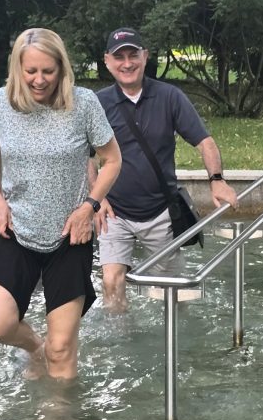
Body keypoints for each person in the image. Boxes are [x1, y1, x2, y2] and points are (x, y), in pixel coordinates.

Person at [0, 28, 122, 380]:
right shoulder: (0, 103)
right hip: (16, 227)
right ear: (17, 69)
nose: (39, 80)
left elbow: (113, 160)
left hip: (70, 235)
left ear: (62, 68)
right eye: (31, 72)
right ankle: (34, 348)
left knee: (62, 350)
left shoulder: (83, 103)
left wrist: (89, 206)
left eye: (48, 72)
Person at [92, 28, 238, 311]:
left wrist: (217, 181)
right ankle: (122, 344)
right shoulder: (98, 104)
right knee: (111, 282)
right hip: (114, 212)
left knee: (171, 292)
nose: (127, 63)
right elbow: (86, 157)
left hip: (160, 212)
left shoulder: (170, 97)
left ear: (145, 57)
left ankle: (174, 344)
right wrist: (97, 199)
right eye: (119, 57)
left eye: (133, 55)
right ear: (107, 61)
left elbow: (204, 141)